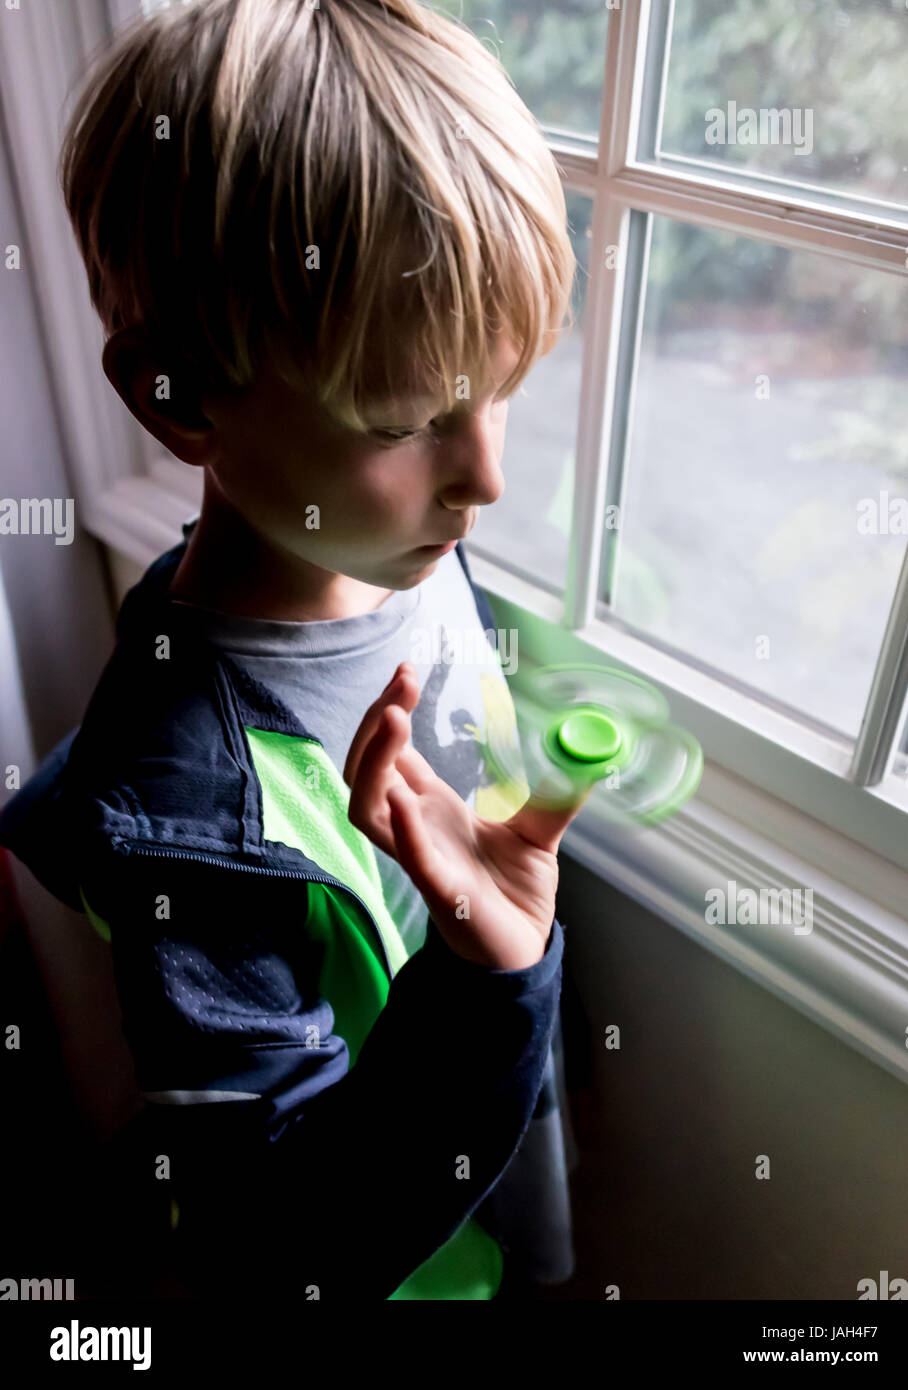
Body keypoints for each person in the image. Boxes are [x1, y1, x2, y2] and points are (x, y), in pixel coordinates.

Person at [0, 0, 583, 1300]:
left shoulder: (407, 552)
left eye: (499, 392)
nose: (484, 476)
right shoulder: (183, 817)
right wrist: (498, 972)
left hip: (499, 1212)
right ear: (178, 398)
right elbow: (278, 1241)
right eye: (406, 416)